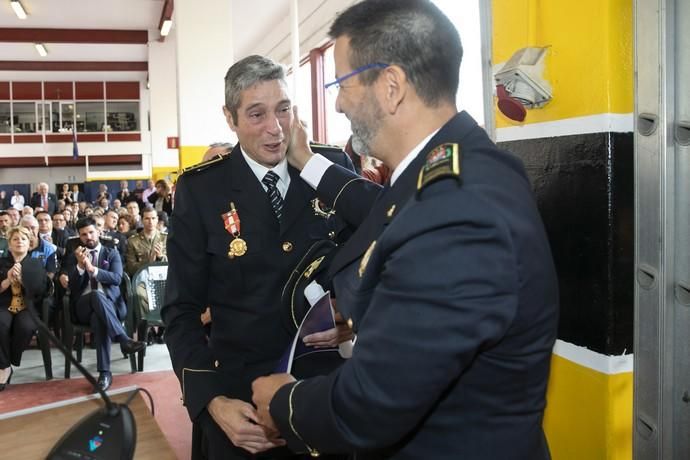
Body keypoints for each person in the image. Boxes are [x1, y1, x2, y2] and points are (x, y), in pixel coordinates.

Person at [251, 1, 559, 459]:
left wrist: (283, 401)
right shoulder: (463, 165)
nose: (336, 101)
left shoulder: (459, 214)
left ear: (390, 87)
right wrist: (309, 164)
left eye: (341, 83)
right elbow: (387, 211)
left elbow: (369, 406)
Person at [161, 54, 354, 459]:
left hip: (326, 395)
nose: (276, 128)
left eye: (284, 109)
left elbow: (369, 265)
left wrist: (352, 316)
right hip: (242, 405)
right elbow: (181, 311)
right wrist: (211, 401)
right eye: (256, 114)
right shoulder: (201, 191)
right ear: (230, 118)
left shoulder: (330, 167)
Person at [59, 217, 145, 391]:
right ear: (79, 237)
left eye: (91, 232)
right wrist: (81, 267)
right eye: (83, 235)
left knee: (99, 318)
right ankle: (123, 339)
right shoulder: (73, 256)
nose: (88, 237)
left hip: (111, 304)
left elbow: (116, 278)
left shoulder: (111, 253)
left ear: (98, 232)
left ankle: (105, 373)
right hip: (83, 306)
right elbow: (72, 286)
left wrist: (93, 269)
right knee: (95, 296)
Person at [0, 226, 49, 391]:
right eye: (15, 239)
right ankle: (4, 367)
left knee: (25, 326)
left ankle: (8, 361)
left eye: (23, 239)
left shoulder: (36, 264)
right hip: (4, 304)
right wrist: (7, 280)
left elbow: (41, 292)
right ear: (9, 244)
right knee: (1, 324)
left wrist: (22, 280)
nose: (19, 242)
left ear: (29, 244)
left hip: (28, 307)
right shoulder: (1, 263)